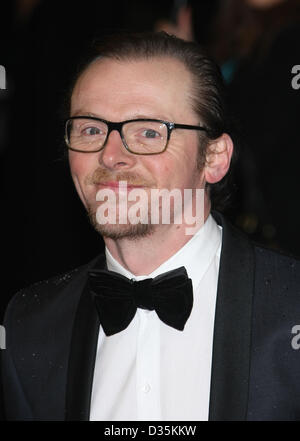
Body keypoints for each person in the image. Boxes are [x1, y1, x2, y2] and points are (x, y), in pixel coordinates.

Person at [1, 31, 300, 422]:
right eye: (91, 129)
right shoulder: (28, 327)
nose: (111, 156)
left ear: (214, 158)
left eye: (148, 132)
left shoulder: (290, 309)